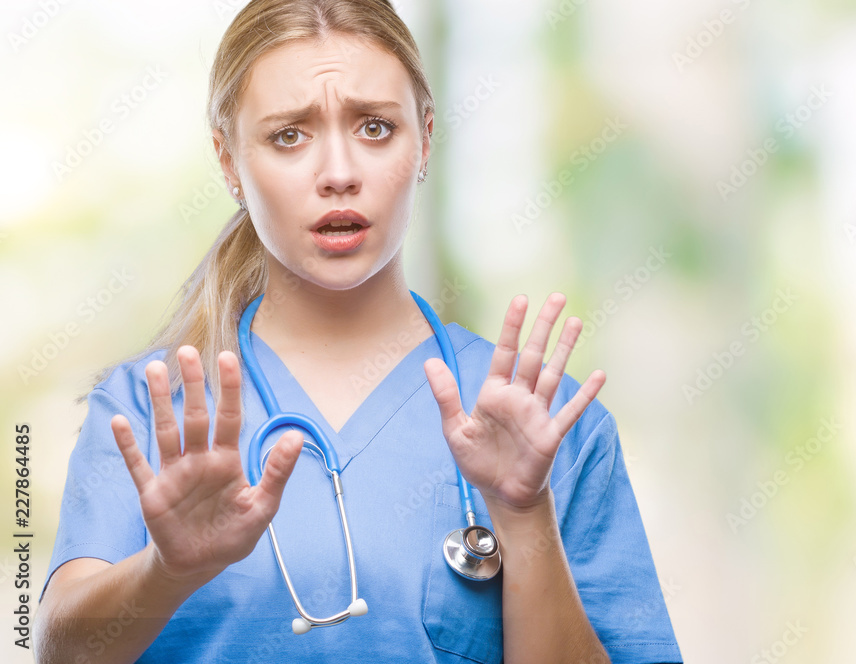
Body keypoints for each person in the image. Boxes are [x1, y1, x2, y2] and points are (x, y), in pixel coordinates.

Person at [34, 1, 683, 662]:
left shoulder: (546, 426)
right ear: (229, 159)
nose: (338, 173)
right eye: (290, 135)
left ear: (425, 139)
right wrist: (166, 571)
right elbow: (58, 652)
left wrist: (524, 517)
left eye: (375, 128)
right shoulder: (147, 411)